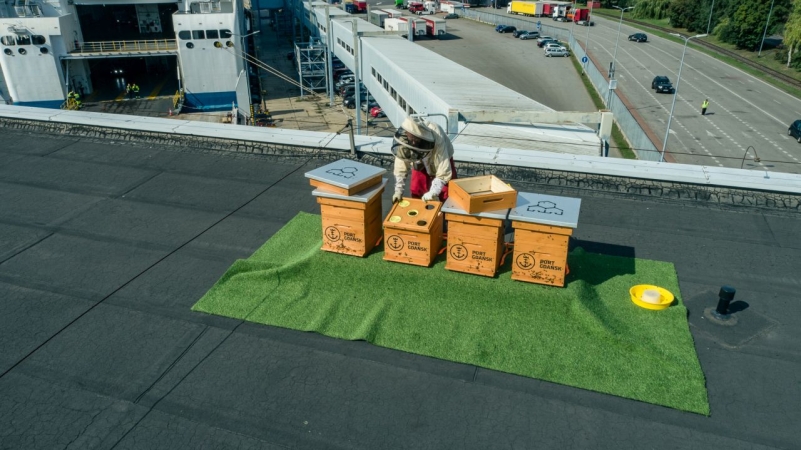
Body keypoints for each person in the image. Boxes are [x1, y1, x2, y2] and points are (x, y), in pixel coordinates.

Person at [391, 116, 457, 203]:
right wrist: (398, 190)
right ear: (406, 133)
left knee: (448, 192)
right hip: (419, 163)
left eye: (416, 139)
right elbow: (401, 165)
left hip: (442, 159)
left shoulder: (437, 135)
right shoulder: (403, 140)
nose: (413, 142)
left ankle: (445, 214)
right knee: (416, 189)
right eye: (411, 139)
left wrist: (433, 192)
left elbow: (443, 170)